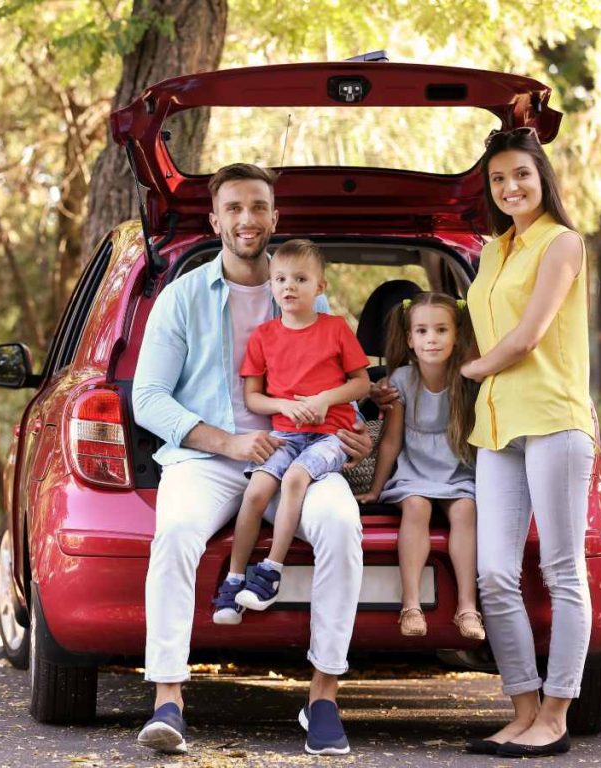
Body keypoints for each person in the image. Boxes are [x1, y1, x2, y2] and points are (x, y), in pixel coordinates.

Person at [131, 163, 372, 757]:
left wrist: (355, 434)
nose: (247, 219)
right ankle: (168, 700)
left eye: (258, 207)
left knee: (342, 527)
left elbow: (340, 380)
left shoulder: (305, 291)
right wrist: (226, 441)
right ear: (215, 220)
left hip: (303, 454)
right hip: (209, 458)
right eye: (234, 208)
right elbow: (147, 398)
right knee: (176, 533)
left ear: (274, 217)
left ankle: (322, 698)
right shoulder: (181, 298)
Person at [460, 127, 594, 758]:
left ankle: (559, 711)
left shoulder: (562, 243)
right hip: (496, 426)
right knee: (493, 574)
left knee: (563, 569)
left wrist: (469, 370)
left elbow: (528, 335)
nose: (510, 187)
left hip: (552, 419)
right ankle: (523, 709)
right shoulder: (492, 253)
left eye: (521, 175)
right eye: (498, 179)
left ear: (542, 178)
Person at [212, 240, 370, 620]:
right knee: (256, 491)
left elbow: (361, 384)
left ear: (320, 287)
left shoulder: (335, 329)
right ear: (270, 284)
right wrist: (283, 405)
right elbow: (253, 397)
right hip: (286, 433)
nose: (289, 286)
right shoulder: (264, 336)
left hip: (332, 435)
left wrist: (324, 399)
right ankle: (234, 581)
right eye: (281, 279)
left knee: (296, 478)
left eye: (300, 279)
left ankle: (270, 571)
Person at [355, 293, 483, 641]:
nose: (432, 338)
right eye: (423, 331)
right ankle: (410, 605)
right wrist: (377, 489)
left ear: (457, 336)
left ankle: (467, 608)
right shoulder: (400, 380)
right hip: (413, 473)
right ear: (410, 339)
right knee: (416, 506)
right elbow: (392, 442)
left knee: (465, 511)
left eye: (441, 330)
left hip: (456, 472)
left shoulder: (467, 378)